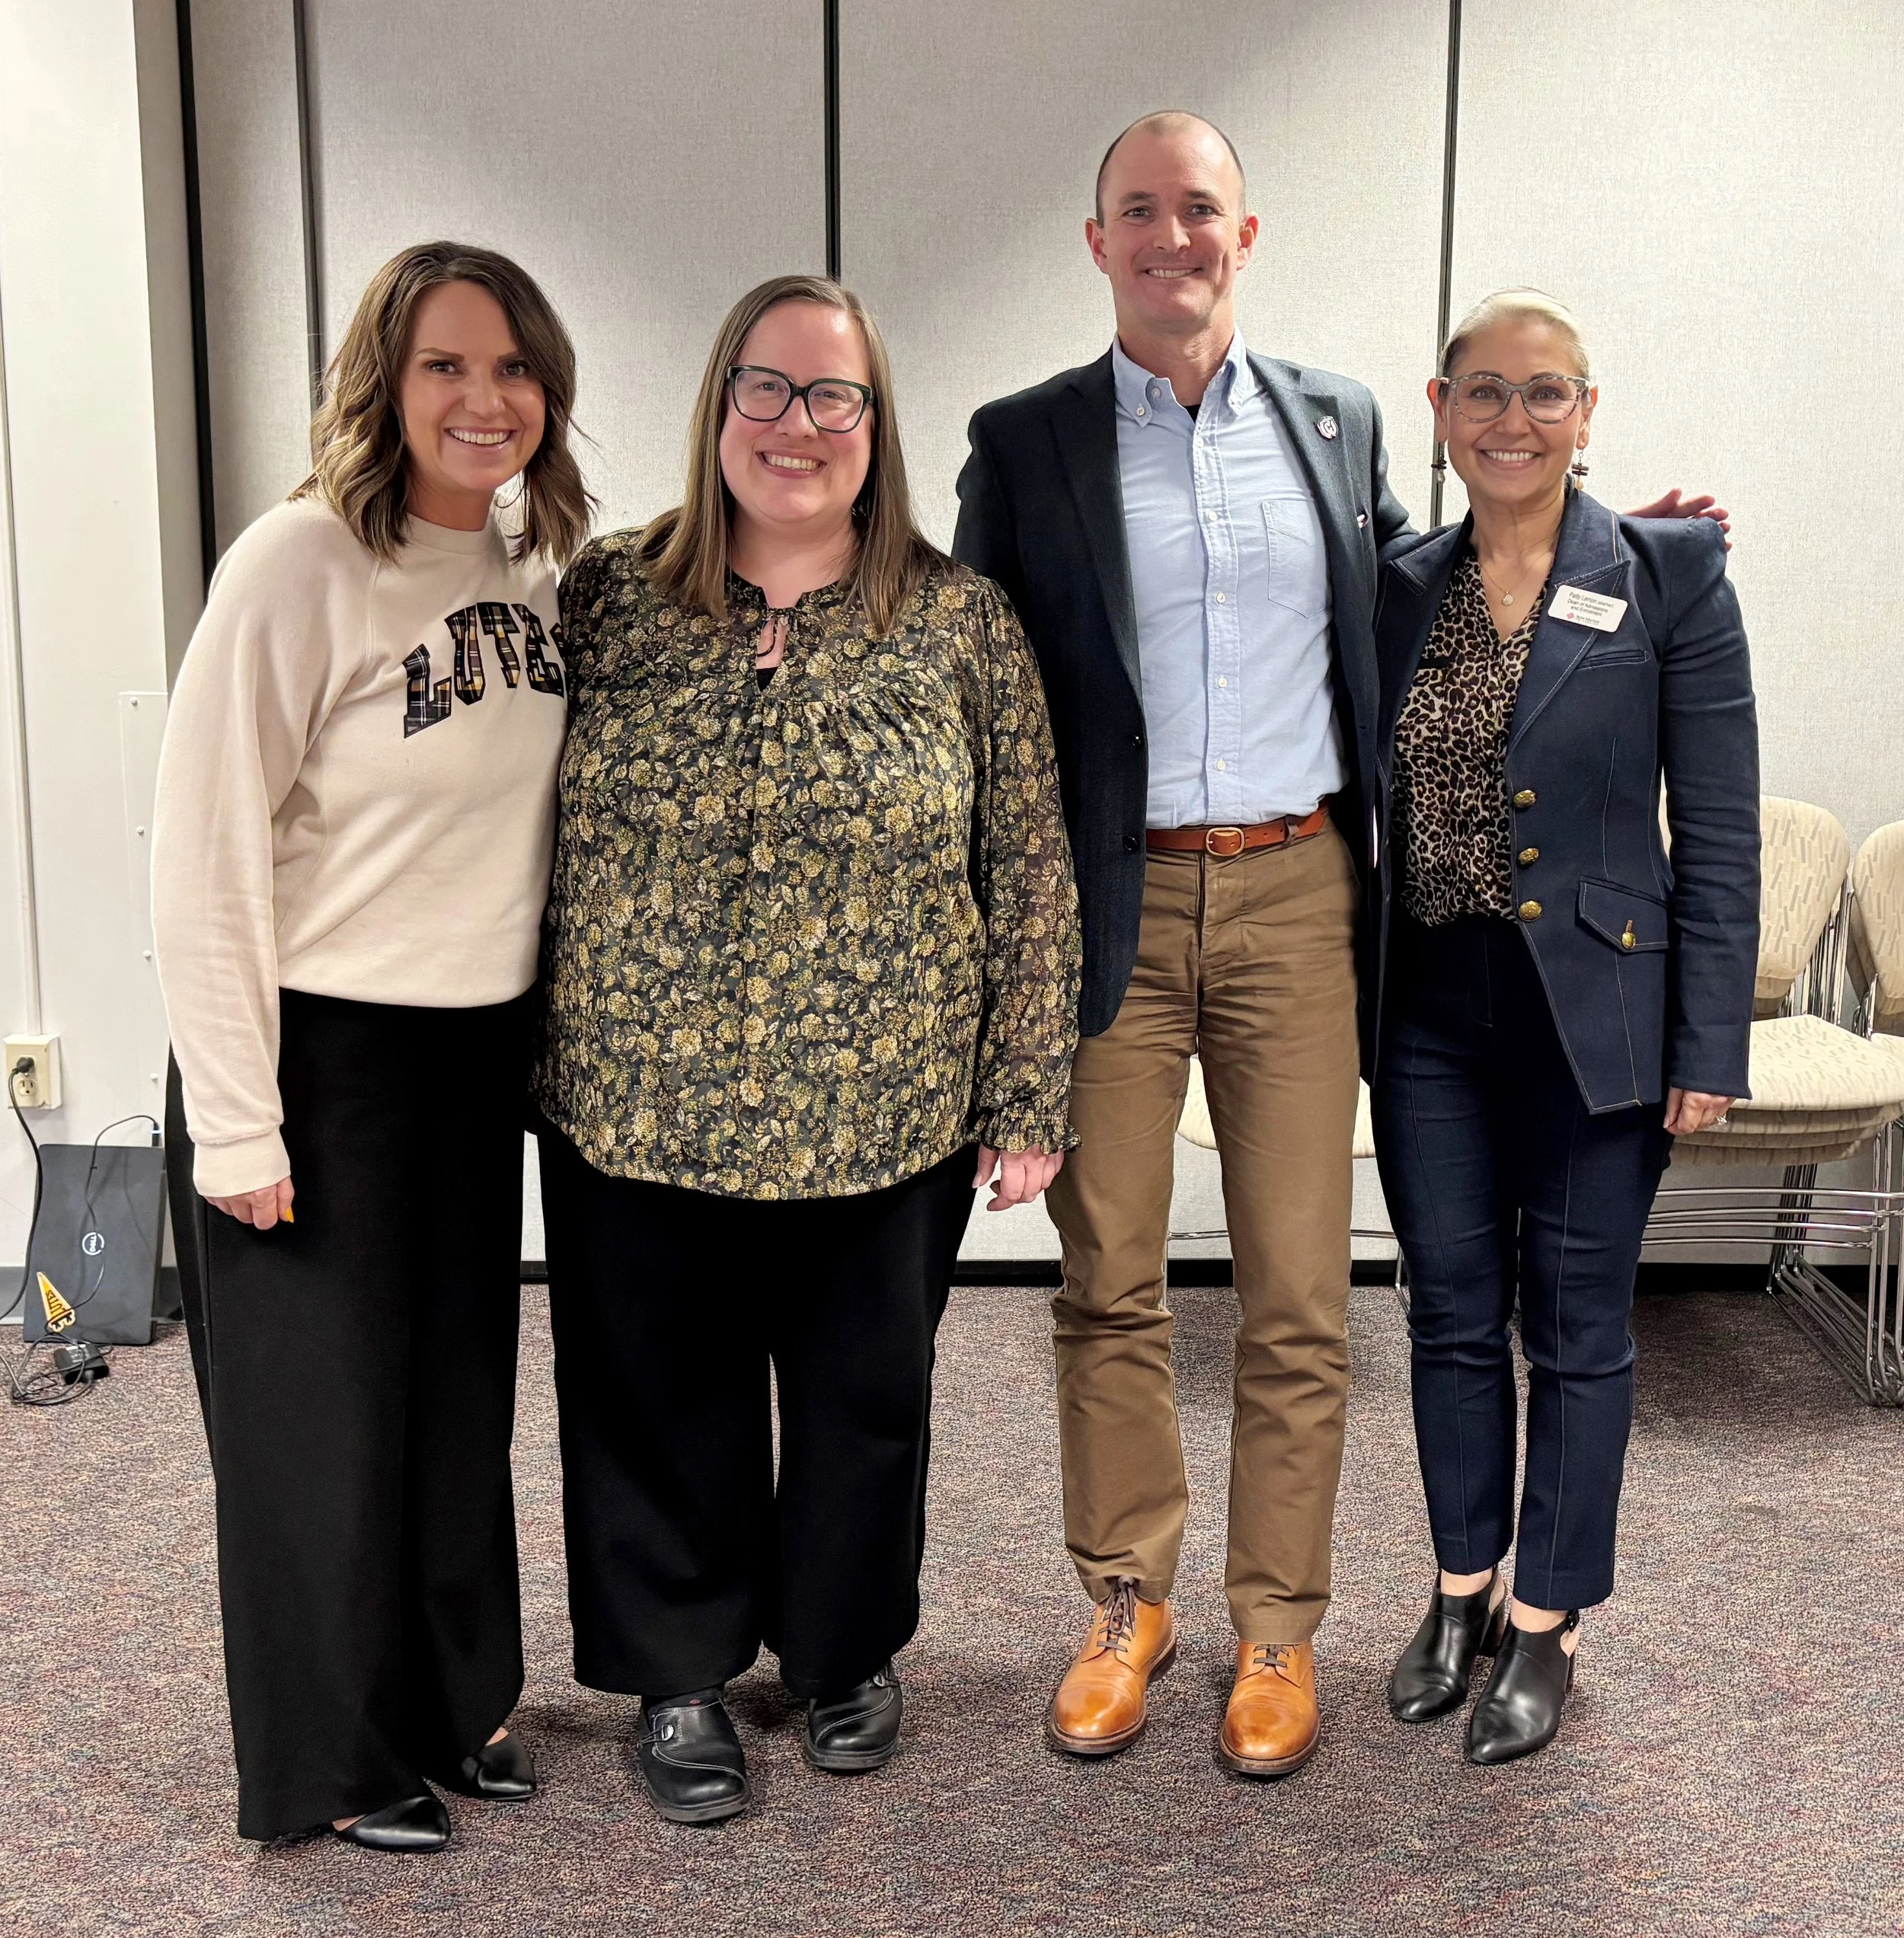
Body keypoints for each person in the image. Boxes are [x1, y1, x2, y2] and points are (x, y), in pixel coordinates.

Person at [953, 110, 1726, 1777]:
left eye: (1201, 210)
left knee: (1304, 1295)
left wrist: (1609, 542)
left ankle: (1277, 1630)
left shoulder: (1337, 413)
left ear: (1248, 232)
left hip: (1304, 891)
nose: (1172, 237)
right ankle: (1122, 1600)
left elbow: (1417, 580)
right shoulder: (1020, 444)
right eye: (1138, 212)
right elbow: (970, 670)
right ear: (1098, 243)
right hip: (1110, 902)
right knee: (1109, 1285)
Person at [535, 273, 1078, 1825]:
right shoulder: (609, 598)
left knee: (861, 1400)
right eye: (764, 390)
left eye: (831, 398)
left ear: (874, 427)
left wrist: (1023, 1087)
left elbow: (1028, 864)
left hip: (882, 1101)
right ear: (719, 407)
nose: (796, 425)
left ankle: (840, 1652)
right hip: (639, 1098)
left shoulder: (956, 622)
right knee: (653, 1397)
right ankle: (679, 1673)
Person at [152, 242, 593, 1849]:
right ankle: (326, 1765)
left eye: (513, 369)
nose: (485, 399)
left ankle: (449, 1705)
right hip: (314, 1060)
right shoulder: (297, 564)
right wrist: (237, 1121)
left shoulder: (530, 580)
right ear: (384, 388)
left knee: (448, 1409)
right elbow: (201, 847)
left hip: (470, 1061)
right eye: (445, 367)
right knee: (313, 1437)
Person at [1372, 289, 1758, 1763]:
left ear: (1588, 412)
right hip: (1430, 1009)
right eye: (1484, 392)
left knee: (1577, 1331)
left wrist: (1705, 1047)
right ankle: (1460, 1587)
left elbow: (1717, 828)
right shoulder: (1400, 583)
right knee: (1449, 1311)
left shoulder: (1670, 576)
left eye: (1546, 394)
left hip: (1599, 1010)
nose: (1513, 420)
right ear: (1441, 407)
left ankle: (1549, 1618)